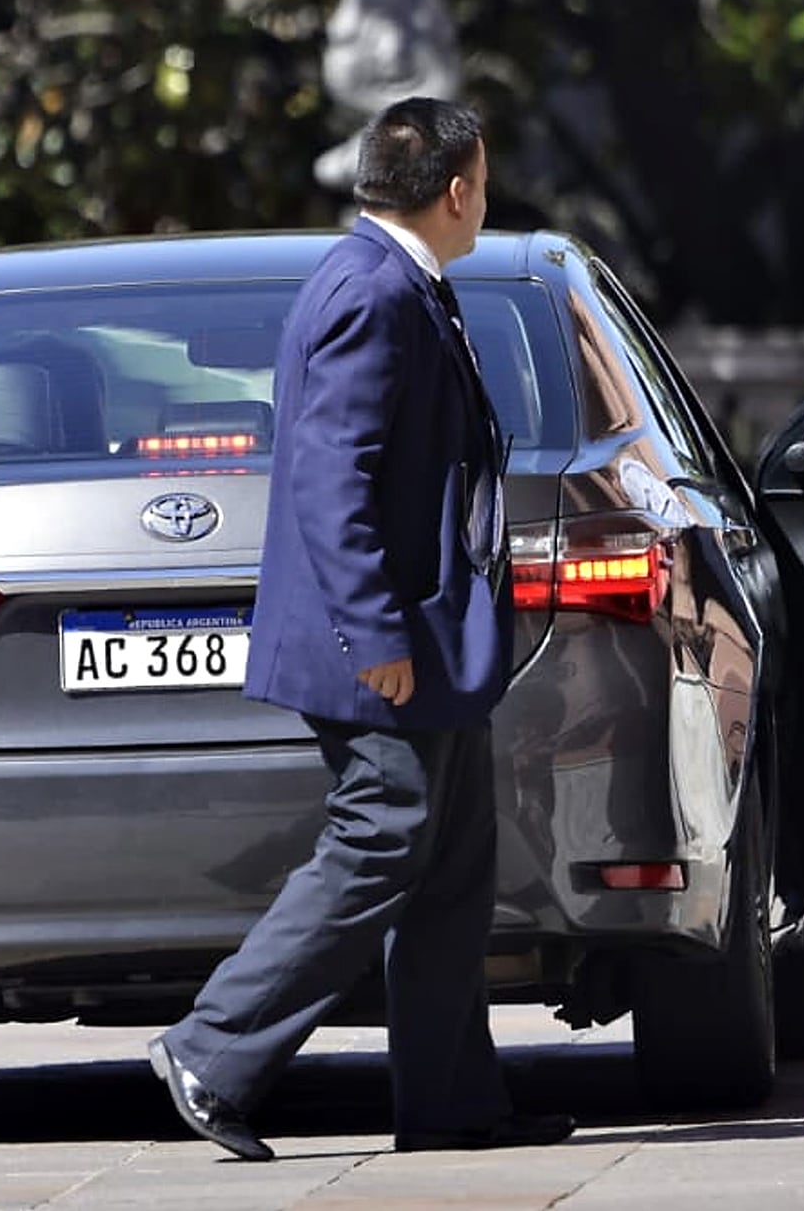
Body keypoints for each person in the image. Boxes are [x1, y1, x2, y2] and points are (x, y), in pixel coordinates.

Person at [148, 97, 575, 1158]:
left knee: (450, 862)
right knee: (380, 839)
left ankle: (452, 1104)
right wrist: (375, 637)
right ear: (456, 189)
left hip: (428, 637)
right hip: (378, 644)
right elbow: (329, 483)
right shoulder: (369, 292)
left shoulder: (399, 282)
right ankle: (211, 1047)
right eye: (483, 178)